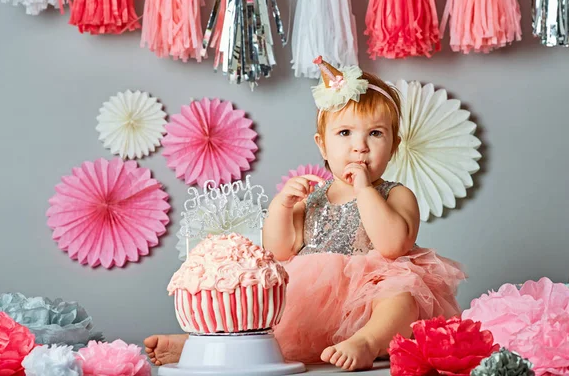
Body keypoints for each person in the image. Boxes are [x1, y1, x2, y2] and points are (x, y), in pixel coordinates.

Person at [144, 57, 466, 371]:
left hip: (370, 294)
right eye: (345, 134)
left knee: (400, 297)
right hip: (311, 300)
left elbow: (393, 245)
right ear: (322, 146)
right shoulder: (311, 198)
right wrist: (282, 206)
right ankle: (201, 346)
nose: (361, 147)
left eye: (375, 134)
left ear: (394, 146)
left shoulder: (395, 194)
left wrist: (366, 190)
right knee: (267, 314)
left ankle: (367, 343)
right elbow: (278, 250)